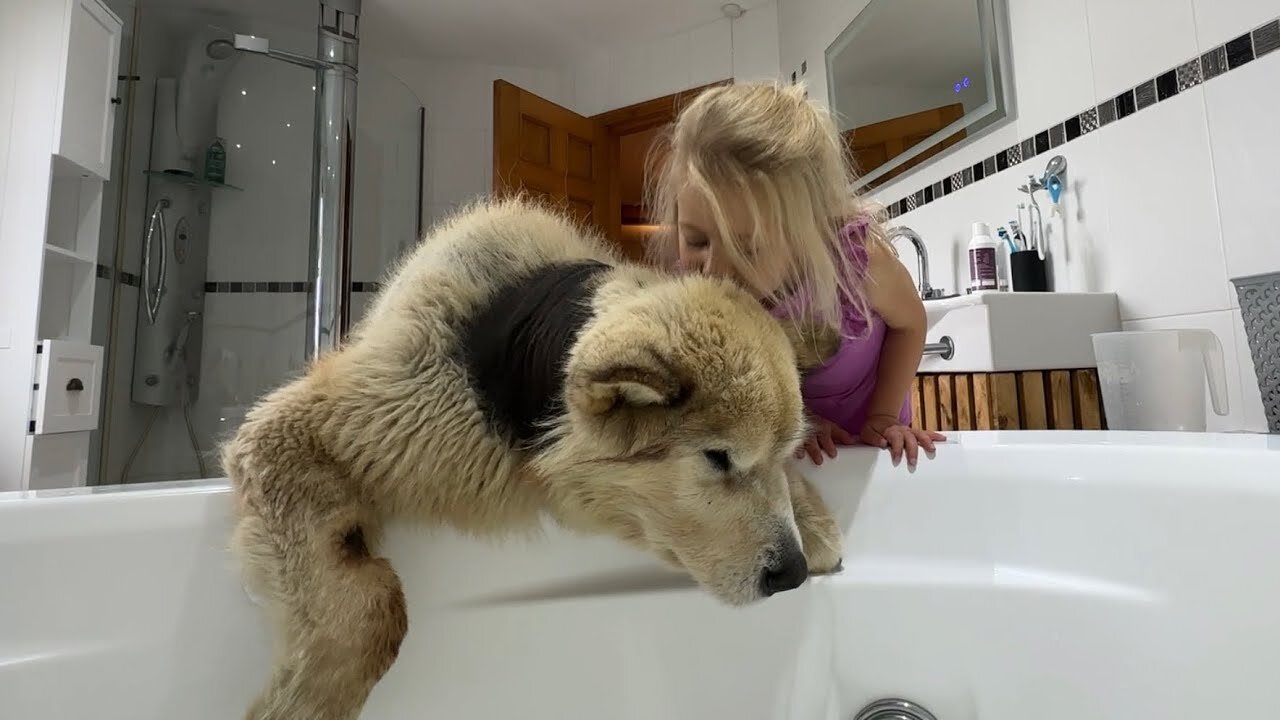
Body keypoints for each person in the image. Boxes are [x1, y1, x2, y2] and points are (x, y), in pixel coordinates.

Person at [646, 81, 945, 468]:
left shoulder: (858, 265)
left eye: (748, 248)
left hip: (875, 451)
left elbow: (911, 324)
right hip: (794, 458)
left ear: (806, 233)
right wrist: (798, 424)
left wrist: (884, 416)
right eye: (697, 240)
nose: (715, 271)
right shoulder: (691, 293)